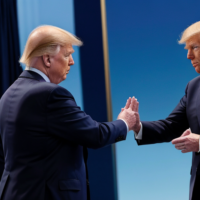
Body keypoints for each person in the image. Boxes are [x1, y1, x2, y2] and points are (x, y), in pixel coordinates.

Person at [0, 25, 139, 200]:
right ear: (47, 59)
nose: (72, 61)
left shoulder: (9, 94)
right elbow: (95, 134)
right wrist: (125, 122)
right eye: (67, 55)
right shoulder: (50, 94)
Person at [132, 21, 200, 200]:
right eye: (187, 49)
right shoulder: (193, 87)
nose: (188, 56)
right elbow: (171, 127)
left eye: (195, 47)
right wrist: (137, 126)